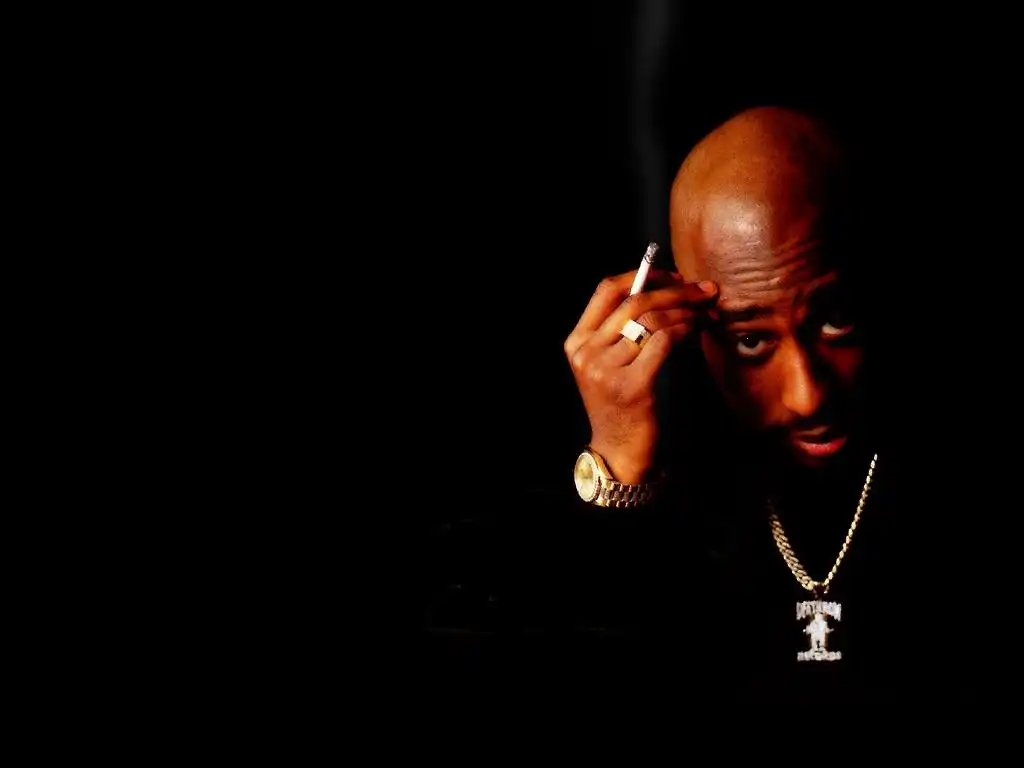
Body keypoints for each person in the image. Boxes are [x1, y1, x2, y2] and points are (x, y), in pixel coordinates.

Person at [422, 105, 992, 699]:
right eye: (751, 341)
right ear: (686, 318)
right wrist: (618, 461)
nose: (807, 396)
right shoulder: (688, 481)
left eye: (835, 321)